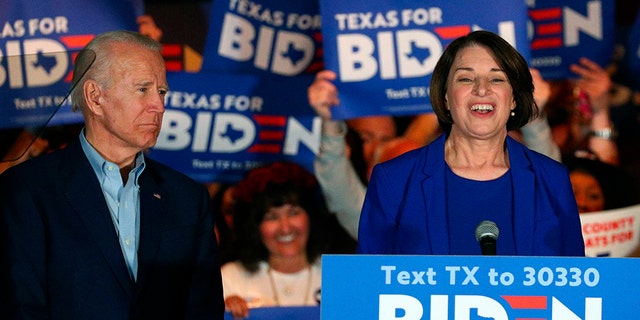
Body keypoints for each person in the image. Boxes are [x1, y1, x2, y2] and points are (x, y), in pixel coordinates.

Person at [0, 30, 224, 319]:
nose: (159, 106)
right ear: (94, 97)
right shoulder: (27, 191)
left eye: (162, 92)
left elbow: (203, 310)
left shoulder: (188, 198)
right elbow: (20, 309)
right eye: (142, 89)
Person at [357, 30, 585, 256]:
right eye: (466, 78)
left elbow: (574, 283)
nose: (482, 89)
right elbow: (368, 283)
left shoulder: (552, 179)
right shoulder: (394, 180)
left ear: (514, 98)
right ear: (446, 97)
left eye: (497, 78)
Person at [308, 70, 440, 239]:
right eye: (402, 172)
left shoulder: (450, 207)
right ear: (374, 176)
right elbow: (333, 169)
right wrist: (330, 115)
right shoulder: (368, 219)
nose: (413, 180)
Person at [221, 161, 354, 319]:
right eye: (272, 217)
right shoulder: (230, 278)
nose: (285, 228)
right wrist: (223, 311)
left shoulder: (342, 278)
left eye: (294, 213)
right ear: (254, 227)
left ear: (311, 216)